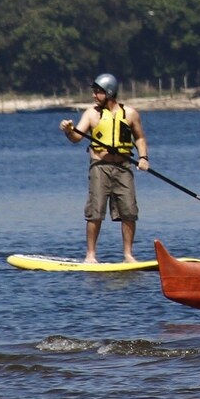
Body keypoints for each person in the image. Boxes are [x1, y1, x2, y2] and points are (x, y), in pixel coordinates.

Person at [59, 73, 150, 264]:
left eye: (97, 92)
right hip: (100, 167)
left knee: (129, 212)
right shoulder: (91, 114)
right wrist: (69, 130)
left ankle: (128, 255)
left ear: (108, 93)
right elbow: (77, 138)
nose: (93, 95)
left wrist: (143, 158)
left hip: (123, 167)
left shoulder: (130, 114)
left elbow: (140, 138)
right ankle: (90, 256)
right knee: (95, 212)